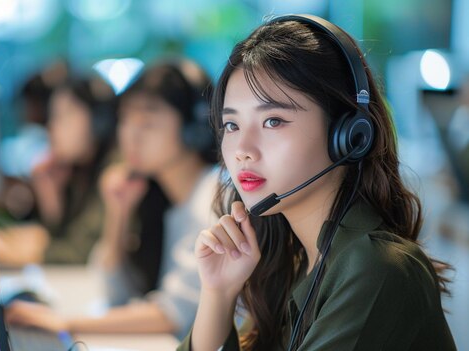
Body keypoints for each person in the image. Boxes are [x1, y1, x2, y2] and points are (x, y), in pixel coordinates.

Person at [179, 15, 456, 351]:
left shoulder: (376, 268)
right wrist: (218, 293)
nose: (243, 152)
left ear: (349, 135)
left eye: (273, 120)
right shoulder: (292, 261)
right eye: (232, 125)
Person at [5, 59, 220, 339]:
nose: (131, 134)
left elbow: (172, 314)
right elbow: (115, 292)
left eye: (148, 121)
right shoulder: (158, 197)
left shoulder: (210, 197)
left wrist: (66, 322)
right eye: (126, 119)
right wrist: (118, 214)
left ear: (195, 128)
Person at [0, 73, 117, 266]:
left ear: (98, 121)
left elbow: (80, 254)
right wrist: (49, 195)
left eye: (63, 116)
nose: (52, 127)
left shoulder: (113, 171)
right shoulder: (77, 169)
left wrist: (3, 252)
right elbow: (58, 237)